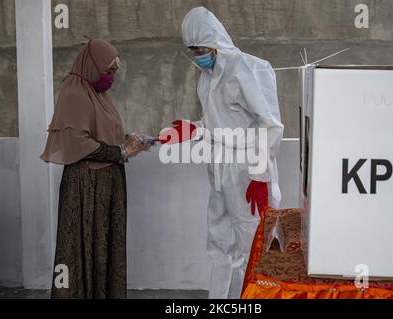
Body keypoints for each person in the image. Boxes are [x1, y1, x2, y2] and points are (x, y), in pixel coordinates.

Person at [161, 7, 284, 299]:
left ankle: (250, 299)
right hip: (219, 165)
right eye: (194, 50)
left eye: (202, 49)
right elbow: (219, 122)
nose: (198, 55)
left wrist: (259, 174)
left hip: (245, 166)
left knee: (250, 240)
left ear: (216, 41)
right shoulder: (208, 75)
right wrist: (196, 129)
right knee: (219, 241)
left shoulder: (248, 68)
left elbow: (269, 124)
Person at [41, 39, 148, 299]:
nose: (110, 77)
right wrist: (121, 152)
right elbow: (78, 141)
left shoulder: (99, 95)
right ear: (93, 65)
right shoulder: (74, 92)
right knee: (83, 247)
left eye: (114, 72)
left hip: (107, 184)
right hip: (86, 186)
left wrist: (127, 140)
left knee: (105, 247)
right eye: (108, 70)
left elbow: (103, 133)